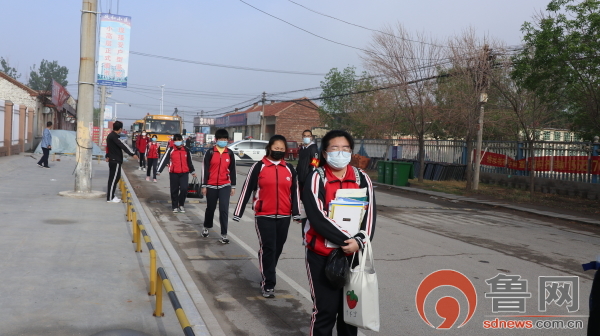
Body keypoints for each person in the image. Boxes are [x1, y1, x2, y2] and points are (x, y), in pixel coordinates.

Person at [302, 130, 376, 336]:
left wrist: (359, 243)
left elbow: (370, 218)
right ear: (325, 153)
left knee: (350, 315)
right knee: (325, 311)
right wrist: (347, 240)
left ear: (351, 152)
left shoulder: (362, 179)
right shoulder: (316, 178)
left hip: (353, 256)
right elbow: (317, 218)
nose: (340, 153)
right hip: (321, 255)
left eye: (345, 149)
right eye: (335, 148)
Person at [233, 135, 301, 298]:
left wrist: (296, 213)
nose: (278, 151)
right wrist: (238, 212)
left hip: (284, 215)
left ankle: (266, 268)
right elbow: (247, 189)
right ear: (269, 148)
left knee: (276, 248)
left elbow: (295, 192)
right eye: (276, 148)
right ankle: (268, 283)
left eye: (282, 149)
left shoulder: (290, 169)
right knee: (269, 247)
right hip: (264, 215)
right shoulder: (258, 167)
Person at [199, 129, 236, 244]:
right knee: (211, 208)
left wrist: (233, 186)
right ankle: (206, 227)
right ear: (216, 140)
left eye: (225, 139)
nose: (223, 141)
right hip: (211, 185)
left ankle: (224, 234)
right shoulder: (210, 152)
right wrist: (204, 185)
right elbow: (204, 170)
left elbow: (233, 170)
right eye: (221, 139)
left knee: (224, 209)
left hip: (225, 185)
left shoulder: (229, 153)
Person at [157, 134, 196, 213]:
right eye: (176, 140)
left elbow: (189, 161)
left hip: (184, 173)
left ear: (182, 140)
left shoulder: (186, 150)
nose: (178, 142)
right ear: (173, 141)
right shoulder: (170, 150)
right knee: (174, 190)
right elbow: (164, 159)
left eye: (179, 140)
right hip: (174, 173)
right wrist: (159, 170)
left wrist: (192, 171)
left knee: (184, 189)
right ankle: (174, 206)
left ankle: (181, 205)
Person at [106, 121, 138, 203]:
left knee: (116, 177)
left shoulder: (111, 136)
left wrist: (107, 155)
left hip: (114, 159)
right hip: (115, 160)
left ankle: (112, 195)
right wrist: (132, 154)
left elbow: (108, 147)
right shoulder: (115, 137)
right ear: (120, 129)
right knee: (113, 179)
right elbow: (124, 146)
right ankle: (110, 198)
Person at [296, 129, 319, 236]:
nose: (306, 137)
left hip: (308, 177)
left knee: (307, 198)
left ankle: (308, 217)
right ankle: (302, 215)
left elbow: (315, 162)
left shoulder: (313, 148)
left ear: (312, 137)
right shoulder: (302, 148)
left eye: (308, 136)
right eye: (304, 135)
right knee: (301, 197)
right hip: (301, 177)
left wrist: (312, 176)